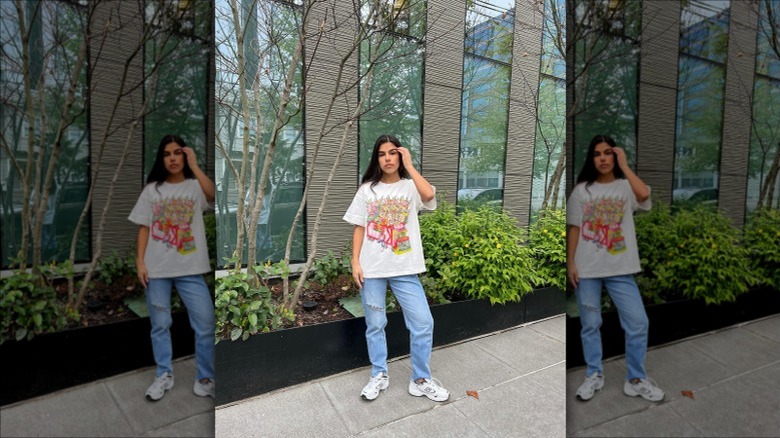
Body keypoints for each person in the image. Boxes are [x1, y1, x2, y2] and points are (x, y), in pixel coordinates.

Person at [343, 134, 449, 402]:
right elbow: (359, 227)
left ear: (400, 156)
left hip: (404, 269)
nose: (388, 158)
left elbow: (430, 196)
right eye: (382, 154)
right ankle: (379, 374)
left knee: (423, 323)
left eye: (393, 152)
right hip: (372, 270)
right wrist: (355, 261)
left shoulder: (410, 187)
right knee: (375, 324)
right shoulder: (367, 189)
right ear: (376, 159)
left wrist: (411, 166)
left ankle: (420, 379)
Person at [567, 134, 664, 402]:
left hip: (620, 269)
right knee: (590, 325)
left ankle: (635, 379)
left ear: (615, 156)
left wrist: (624, 162)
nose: (603, 158)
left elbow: (643, 194)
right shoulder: (581, 191)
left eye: (608, 152)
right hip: (587, 271)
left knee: (637, 322)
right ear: (591, 158)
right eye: (597, 153)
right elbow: (574, 228)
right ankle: (594, 375)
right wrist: (571, 262)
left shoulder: (624, 187)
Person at [129, 134, 216, 401]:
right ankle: (164, 375)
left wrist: (195, 163)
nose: (173, 158)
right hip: (157, 271)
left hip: (191, 269)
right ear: (161, 159)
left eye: (178, 152)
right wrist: (140, 262)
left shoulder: (193, 187)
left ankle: (205, 377)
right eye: (167, 154)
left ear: (184, 155)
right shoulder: (152, 190)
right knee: (160, 325)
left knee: (205, 323)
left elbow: (212, 195)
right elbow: (144, 227)